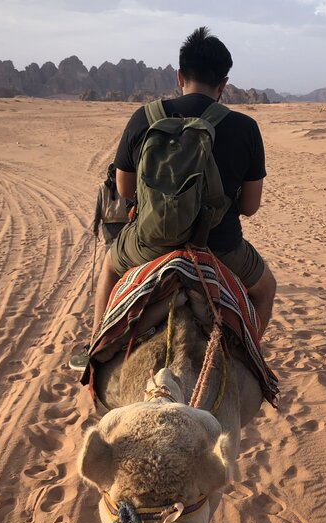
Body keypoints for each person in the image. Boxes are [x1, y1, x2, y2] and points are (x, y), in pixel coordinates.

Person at [72, 27, 277, 369]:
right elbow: (250, 207)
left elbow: (124, 190)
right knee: (266, 288)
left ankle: (95, 346)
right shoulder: (245, 127)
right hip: (220, 247)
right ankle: (249, 358)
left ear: (179, 76)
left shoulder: (144, 117)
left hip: (150, 243)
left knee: (109, 267)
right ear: (224, 84)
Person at [93, 163, 130, 246]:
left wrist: (95, 227)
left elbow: (98, 209)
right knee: (121, 248)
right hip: (123, 223)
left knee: (109, 248)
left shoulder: (102, 187)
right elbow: (130, 205)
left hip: (107, 226)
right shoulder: (124, 186)